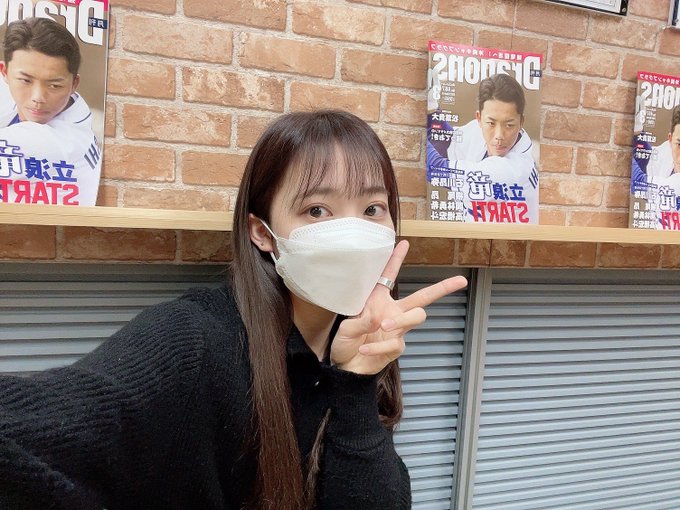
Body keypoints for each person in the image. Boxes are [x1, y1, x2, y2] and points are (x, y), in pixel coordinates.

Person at [0, 109, 468, 509]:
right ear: (262, 233)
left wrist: (356, 383)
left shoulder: (364, 337)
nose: (353, 235)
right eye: (317, 211)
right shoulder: (192, 340)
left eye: (372, 210)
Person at [0, 17, 101, 206]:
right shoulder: (73, 107)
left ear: (74, 84)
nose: (38, 97)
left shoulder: (59, 143)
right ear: (4, 72)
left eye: (54, 85)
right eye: (26, 81)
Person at [427, 73, 539, 223]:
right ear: (479, 118)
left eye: (509, 125)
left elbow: (435, 169)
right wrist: (431, 107)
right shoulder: (478, 131)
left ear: (521, 122)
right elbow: (446, 143)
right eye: (491, 123)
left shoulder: (515, 170)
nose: (499, 135)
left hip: (505, 239)